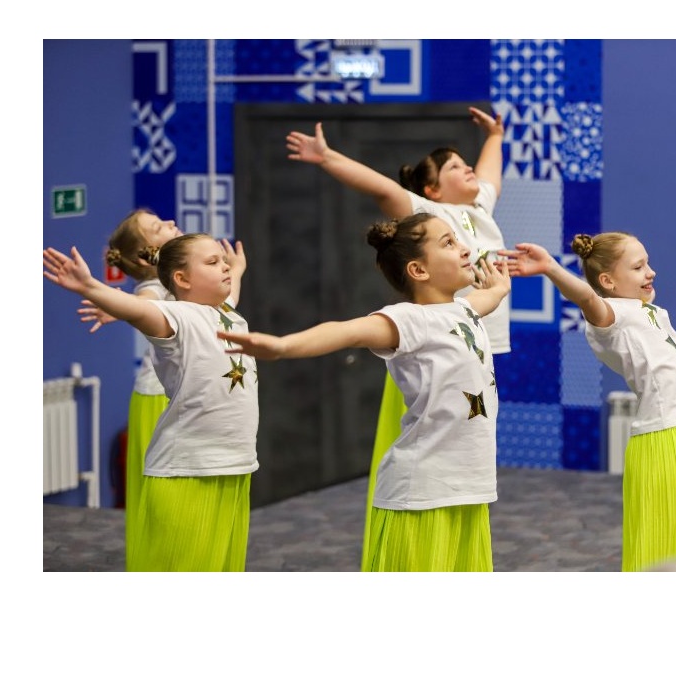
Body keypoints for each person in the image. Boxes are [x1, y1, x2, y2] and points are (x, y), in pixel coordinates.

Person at [218, 213, 510, 571]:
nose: (464, 248)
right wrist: (283, 346)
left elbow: (488, 298)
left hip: (469, 489)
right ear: (418, 270)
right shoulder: (411, 319)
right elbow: (347, 331)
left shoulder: (464, 310)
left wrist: (499, 288)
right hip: (423, 491)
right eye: (448, 243)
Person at [286, 106, 509, 565]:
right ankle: (397, 530)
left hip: (463, 340)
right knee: (417, 437)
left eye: (466, 163)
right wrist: (328, 158)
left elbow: (490, 174)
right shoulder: (431, 215)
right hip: (426, 345)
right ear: (431, 190)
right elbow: (382, 188)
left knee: (454, 440)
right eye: (454, 167)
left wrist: (495, 136)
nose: (468, 169)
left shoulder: (478, 212)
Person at [499, 233, 676, 571]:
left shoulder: (649, 312)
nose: (651, 272)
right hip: (662, 438)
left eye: (648, 263)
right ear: (608, 281)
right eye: (638, 267)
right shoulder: (613, 315)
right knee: (662, 541)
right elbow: (587, 297)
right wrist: (550, 267)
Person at [44, 233, 259, 571]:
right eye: (212, 262)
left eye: (223, 261)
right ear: (182, 279)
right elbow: (139, 309)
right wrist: (89, 286)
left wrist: (239, 270)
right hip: (187, 470)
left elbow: (231, 295)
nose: (224, 267)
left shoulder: (227, 313)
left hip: (233, 465)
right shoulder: (175, 316)